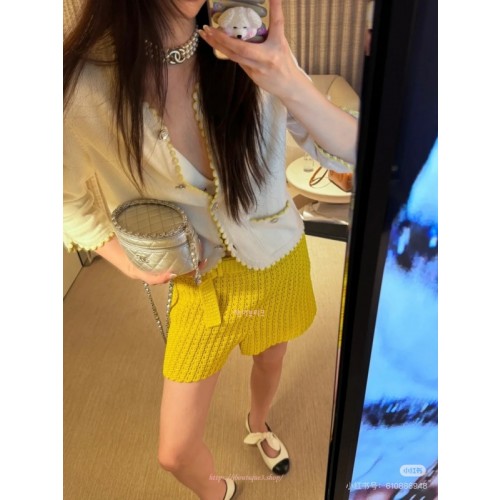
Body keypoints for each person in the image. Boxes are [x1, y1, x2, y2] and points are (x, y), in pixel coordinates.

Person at [63, 1, 358, 499]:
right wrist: (126, 261)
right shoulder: (80, 86)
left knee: (271, 358)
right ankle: (217, 491)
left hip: (278, 260)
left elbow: (349, 153)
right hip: (200, 286)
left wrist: (288, 80)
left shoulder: (249, 39)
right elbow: (61, 196)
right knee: (175, 452)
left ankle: (257, 424)